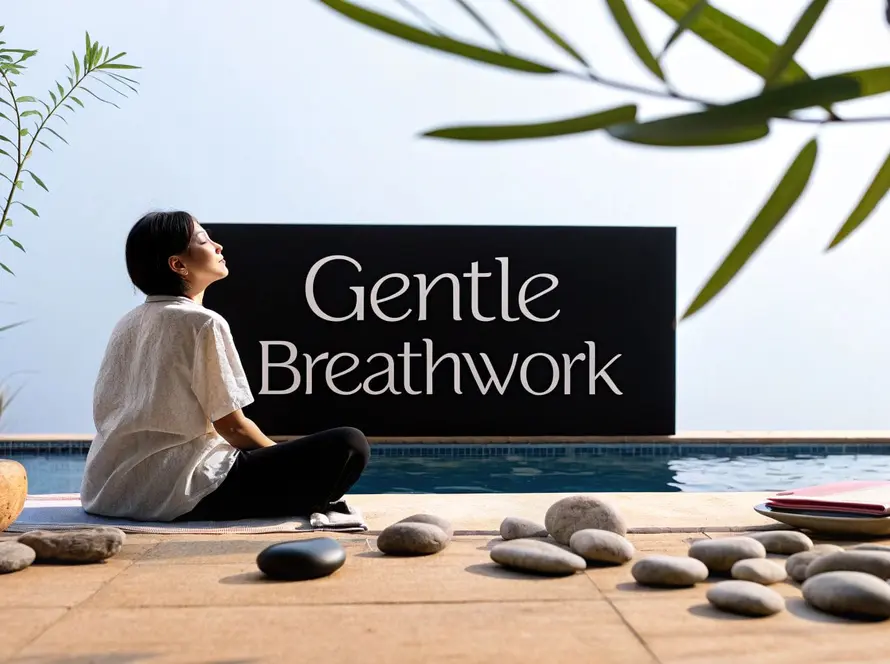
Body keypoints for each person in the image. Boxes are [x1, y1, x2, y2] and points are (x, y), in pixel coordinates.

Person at [80, 210, 370, 522]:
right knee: (350, 443)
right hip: (178, 491)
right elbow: (232, 427)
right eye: (204, 240)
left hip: (107, 492)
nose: (218, 246)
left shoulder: (127, 323)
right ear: (178, 265)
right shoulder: (202, 322)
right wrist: (279, 460)